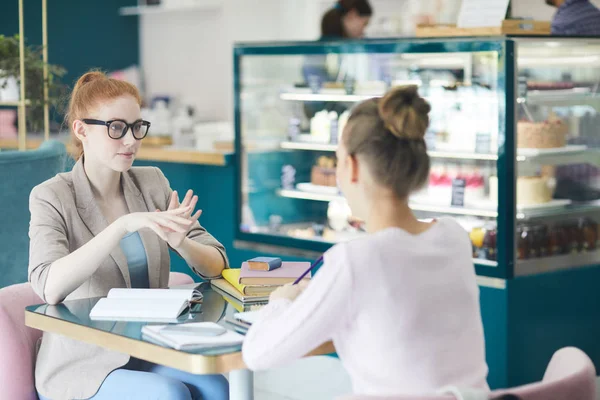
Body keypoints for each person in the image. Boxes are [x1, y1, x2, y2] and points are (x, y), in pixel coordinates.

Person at [242, 86, 489, 396]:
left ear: (353, 166)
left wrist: (282, 300)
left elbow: (257, 354)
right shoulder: (453, 236)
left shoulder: (355, 260)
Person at [29, 71, 230, 400]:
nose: (131, 140)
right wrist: (122, 225)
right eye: (116, 128)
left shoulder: (151, 182)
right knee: (168, 394)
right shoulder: (51, 196)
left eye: (137, 127)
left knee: (217, 386)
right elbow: (49, 286)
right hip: (84, 362)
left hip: (150, 348)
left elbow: (217, 263)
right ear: (81, 129)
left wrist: (182, 243)